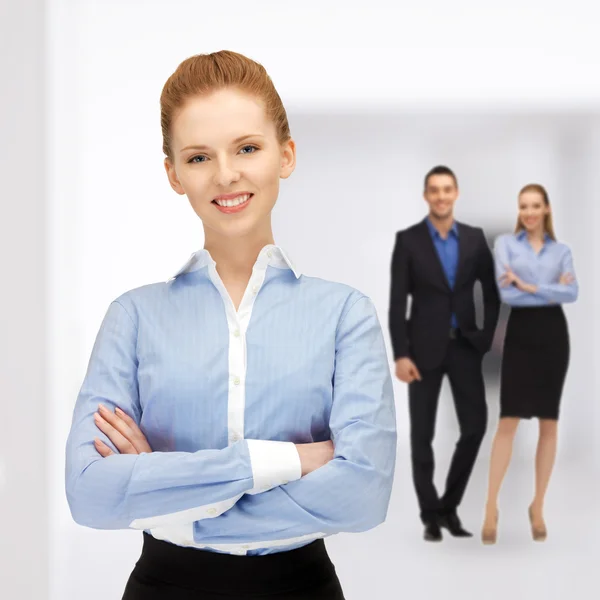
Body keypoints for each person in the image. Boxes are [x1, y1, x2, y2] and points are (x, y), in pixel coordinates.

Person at [64, 50, 397, 600]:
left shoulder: (344, 315)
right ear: (173, 173)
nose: (225, 174)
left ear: (285, 155)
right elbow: (89, 493)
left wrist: (164, 488)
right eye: (198, 157)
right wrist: (284, 460)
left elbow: (363, 495)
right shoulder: (135, 317)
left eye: (247, 147)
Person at [388, 165, 500, 542]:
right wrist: (401, 354)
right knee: (422, 434)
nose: (440, 196)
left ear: (456, 194)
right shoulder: (408, 241)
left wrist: (484, 338)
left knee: (475, 427)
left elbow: (492, 290)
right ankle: (429, 514)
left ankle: (448, 507)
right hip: (422, 351)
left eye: (447, 189)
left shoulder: (473, 238)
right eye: (434, 190)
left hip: (465, 347)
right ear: (426, 195)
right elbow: (396, 303)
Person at [481, 183, 578, 545]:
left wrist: (528, 285)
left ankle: (538, 506)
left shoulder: (561, 250)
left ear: (546, 209)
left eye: (536, 205)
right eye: (524, 205)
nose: (530, 211)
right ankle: (491, 506)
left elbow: (572, 292)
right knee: (509, 420)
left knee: (549, 423)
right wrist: (547, 286)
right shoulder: (506, 246)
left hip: (554, 335)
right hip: (521, 335)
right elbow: (506, 292)